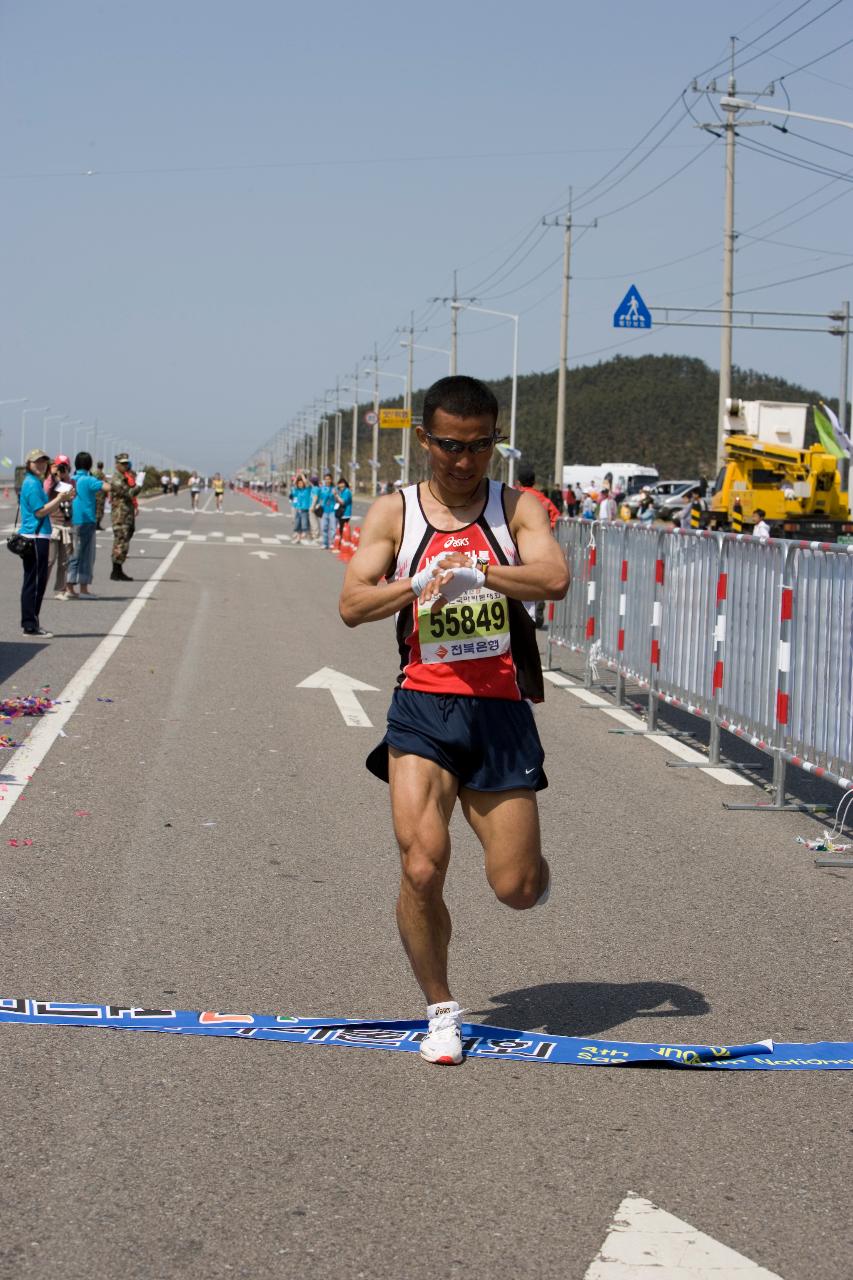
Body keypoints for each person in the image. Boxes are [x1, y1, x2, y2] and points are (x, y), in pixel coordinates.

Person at [339, 375, 570, 1066]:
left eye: (478, 447)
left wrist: (480, 573)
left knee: (516, 889)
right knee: (420, 863)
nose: (463, 461)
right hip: (423, 705)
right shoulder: (395, 513)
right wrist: (417, 582)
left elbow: (552, 578)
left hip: (497, 713)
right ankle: (440, 1010)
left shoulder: (516, 508)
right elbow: (352, 604)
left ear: (493, 442)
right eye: (448, 446)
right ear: (424, 439)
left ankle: (532, 869)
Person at [17, 447, 74, 637]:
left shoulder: (35, 481)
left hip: (38, 535)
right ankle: (30, 625)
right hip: (35, 536)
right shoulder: (32, 484)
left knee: (35, 581)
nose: (41, 465)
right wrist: (59, 498)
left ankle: (31, 622)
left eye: (43, 462)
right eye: (37, 462)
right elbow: (40, 511)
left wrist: (61, 496)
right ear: (28, 464)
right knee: (34, 582)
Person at [66, 450, 104, 598]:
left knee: (73, 554)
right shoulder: (89, 480)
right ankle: (83, 589)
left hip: (71, 520)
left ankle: (69, 588)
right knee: (86, 556)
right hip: (87, 521)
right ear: (89, 465)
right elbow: (107, 487)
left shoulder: (70, 480)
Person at [46, 455, 75, 598]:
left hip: (66, 525)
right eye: (60, 466)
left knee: (64, 561)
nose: (62, 469)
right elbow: (46, 490)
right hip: (52, 524)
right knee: (49, 560)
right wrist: (53, 475)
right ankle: (39, 587)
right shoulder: (50, 481)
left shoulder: (71, 482)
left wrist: (66, 476)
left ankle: (61, 590)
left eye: (65, 467)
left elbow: (72, 495)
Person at [110, 452, 140, 581]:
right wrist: (139, 485)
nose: (125, 466)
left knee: (125, 540)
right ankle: (116, 571)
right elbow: (128, 493)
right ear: (117, 465)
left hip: (127, 513)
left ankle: (119, 569)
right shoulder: (117, 479)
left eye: (127, 463)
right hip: (120, 515)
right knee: (120, 541)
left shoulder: (126, 476)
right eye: (123, 464)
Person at [516, 465, 559, 531]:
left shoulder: (514, 497)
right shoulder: (542, 498)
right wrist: (548, 528)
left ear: (518, 482)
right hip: (539, 535)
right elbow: (555, 514)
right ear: (534, 482)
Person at [318, 472, 338, 549]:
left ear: (331, 479)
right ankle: (325, 543)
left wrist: (335, 494)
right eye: (326, 479)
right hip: (324, 510)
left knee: (333, 528)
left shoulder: (334, 488)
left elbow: (337, 499)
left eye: (329, 479)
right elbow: (320, 498)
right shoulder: (322, 489)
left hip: (332, 510)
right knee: (324, 528)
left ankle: (332, 543)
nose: (327, 480)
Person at [290, 474, 312, 543]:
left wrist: (302, 475)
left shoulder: (307, 490)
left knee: (304, 524)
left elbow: (307, 483)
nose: (300, 484)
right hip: (298, 509)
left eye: (301, 483)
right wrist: (297, 476)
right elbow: (294, 484)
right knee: (297, 524)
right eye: (299, 483)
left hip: (305, 509)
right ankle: (298, 538)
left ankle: (308, 536)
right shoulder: (297, 491)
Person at [94, 460, 108, 529]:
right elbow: (105, 484)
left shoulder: (93, 473)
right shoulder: (102, 475)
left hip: (94, 494)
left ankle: (95, 524)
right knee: (100, 510)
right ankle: (97, 524)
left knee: (94, 510)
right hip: (100, 495)